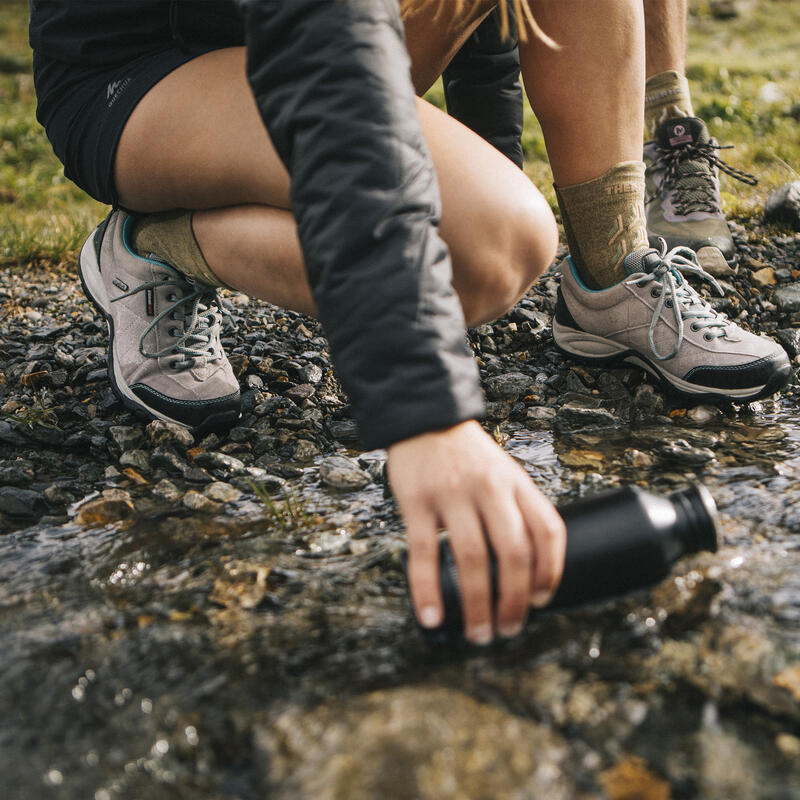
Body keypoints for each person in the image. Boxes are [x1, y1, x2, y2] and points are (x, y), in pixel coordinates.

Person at [28, 0, 789, 646]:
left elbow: (485, 30)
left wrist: (481, 163)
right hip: (147, 72)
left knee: (488, 231)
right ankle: (151, 242)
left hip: (311, 43)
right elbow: (326, 56)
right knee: (492, 249)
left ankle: (612, 273)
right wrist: (425, 414)